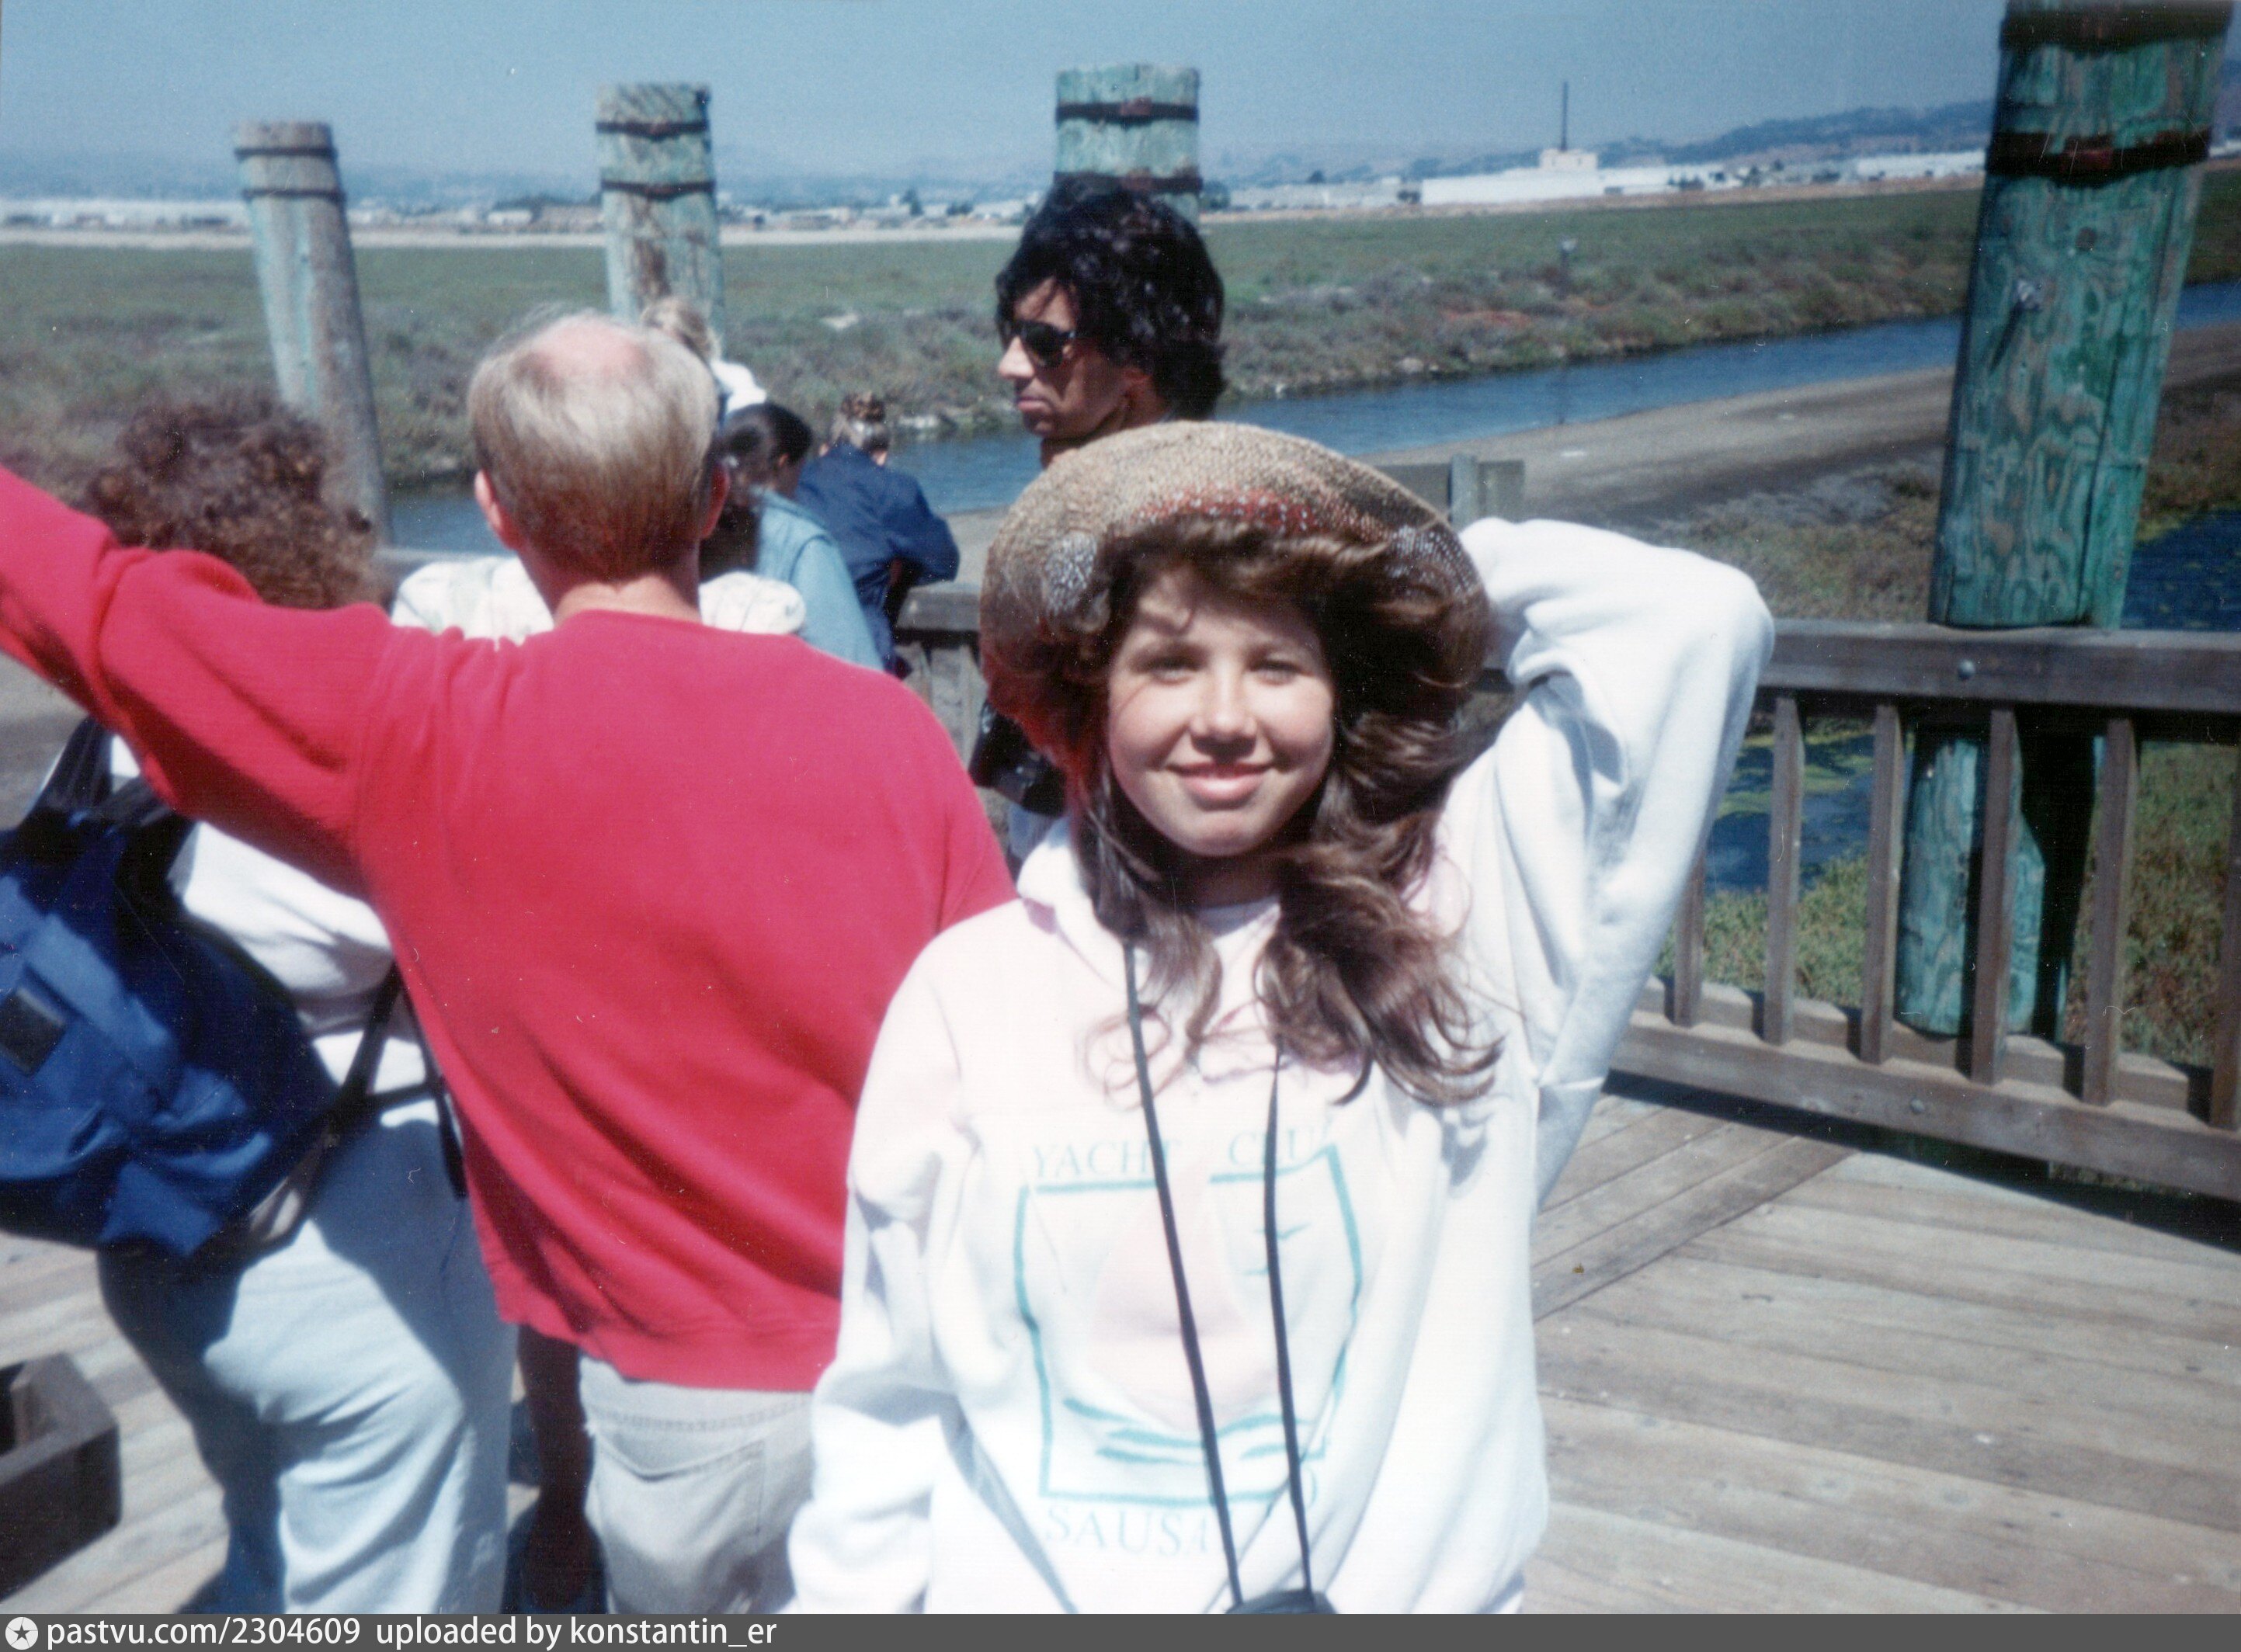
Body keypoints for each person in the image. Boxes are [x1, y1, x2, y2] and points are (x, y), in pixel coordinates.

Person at [0, 312, 1014, 1614]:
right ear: (716, 499)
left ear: (495, 510)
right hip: (926, 1366)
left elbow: (94, 610)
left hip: (683, 1413)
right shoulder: (889, 732)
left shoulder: (424, 731)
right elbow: (1002, 1058)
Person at [787, 424, 1770, 1612]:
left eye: (1277, 665)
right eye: (1168, 664)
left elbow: (1690, 621)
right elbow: (891, 1397)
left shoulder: (1463, 928)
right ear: (1093, 693)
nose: (1223, 716)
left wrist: (1381, 565)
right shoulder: (971, 989)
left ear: (1342, 689)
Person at [77, 395, 515, 1612]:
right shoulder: (334, 747)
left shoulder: (107, 739)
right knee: (411, 1585)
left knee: (269, 1547)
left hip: (158, 1234)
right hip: (349, 1252)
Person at [973, 179, 1231, 860]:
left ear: (1137, 359)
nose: (1009, 365)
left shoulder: (1203, 526)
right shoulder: (1081, 493)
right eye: (1011, 335)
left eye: (1043, 342)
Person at [703, 403, 881, 670]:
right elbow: (852, 661)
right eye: (801, 469)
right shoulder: (801, 540)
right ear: (783, 465)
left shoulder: (695, 523)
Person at [793, 394, 959, 668]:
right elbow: (945, 562)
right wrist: (898, 571)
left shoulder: (792, 481)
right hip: (858, 644)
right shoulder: (894, 488)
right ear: (881, 456)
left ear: (824, 449)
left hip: (789, 636)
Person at [641, 293, 766, 418]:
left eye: (677, 352)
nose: (666, 362)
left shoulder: (737, 393)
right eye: (655, 352)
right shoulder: (640, 399)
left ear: (699, 349)